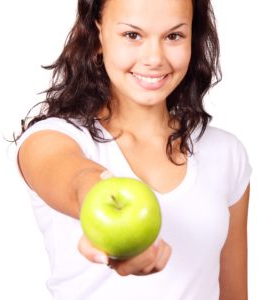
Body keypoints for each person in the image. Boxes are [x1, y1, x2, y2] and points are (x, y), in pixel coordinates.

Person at [15, 0, 252, 299]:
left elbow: (234, 293)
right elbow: (78, 182)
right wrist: (105, 211)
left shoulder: (226, 153)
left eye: (174, 36)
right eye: (132, 35)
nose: (154, 58)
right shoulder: (52, 139)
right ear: (97, 35)